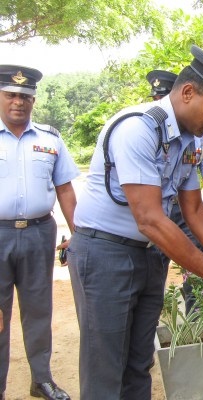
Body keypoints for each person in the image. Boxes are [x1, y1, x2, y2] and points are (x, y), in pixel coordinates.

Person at [68, 46, 203, 399]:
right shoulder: (138, 128)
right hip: (106, 254)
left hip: (150, 256)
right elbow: (150, 219)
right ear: (187, 92)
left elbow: (195, 211)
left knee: (139, 363)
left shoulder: (191, 141)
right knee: (105, 369)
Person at [0, 65, 78, 400]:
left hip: (38, 232)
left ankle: (41, 379)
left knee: (38, 310)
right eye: (11, 95)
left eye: (25, 96)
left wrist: (78, 234)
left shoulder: (50, 139)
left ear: (34, 100)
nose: (18, 101)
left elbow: (65, 190)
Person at [146, 70, 203, 313]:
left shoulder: (197, 138)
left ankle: (197, 322)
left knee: (196, 279)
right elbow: (149, 217)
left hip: (183, 212)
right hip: (153, 216)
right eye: (156, 100)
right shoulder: (142, 131)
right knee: (154, 274)